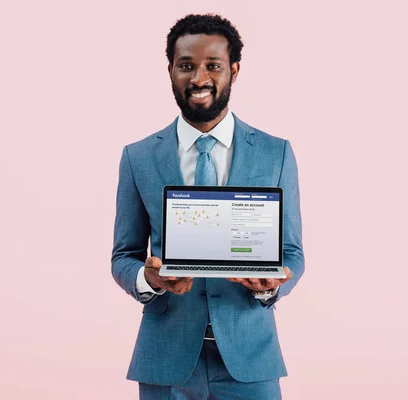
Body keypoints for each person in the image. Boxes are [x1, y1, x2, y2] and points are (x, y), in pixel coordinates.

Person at [111, 13, 305, 399]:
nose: (199, 79)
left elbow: (292, 253)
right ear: (170, 70)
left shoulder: (275, 153)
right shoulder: (139, 158)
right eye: (186, 66)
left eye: (212, 66)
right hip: (166, 357)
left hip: (250, 355)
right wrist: (149, 279)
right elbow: (124, 256)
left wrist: (271, 287)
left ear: (233, 70)